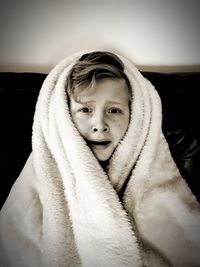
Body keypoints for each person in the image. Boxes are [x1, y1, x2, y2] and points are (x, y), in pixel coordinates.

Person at [0, 51, 200, 267]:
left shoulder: (151, 171)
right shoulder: (43, 170)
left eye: (114, 110)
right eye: (85, 109)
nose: (99, 124)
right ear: (64, 117)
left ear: (135, 117)